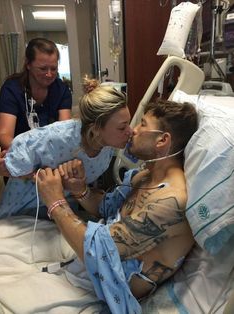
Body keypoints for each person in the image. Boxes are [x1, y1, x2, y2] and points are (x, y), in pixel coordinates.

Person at [36, 99, 198, 314]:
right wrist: (80, 190)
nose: (132, 131)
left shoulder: (170, 200)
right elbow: (106, 209)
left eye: (142, 124)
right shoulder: (145, 177)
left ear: (162, 140)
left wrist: (55, 202)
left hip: (109, 291)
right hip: (92, 273)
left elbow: (96, 250)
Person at [0, 78, 132, 218]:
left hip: (59, 210)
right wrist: (32, 173)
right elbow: (21, 144)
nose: (130, 131)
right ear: (96, 129)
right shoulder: (58, 138)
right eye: (122, 127)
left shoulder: (107, 146)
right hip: (22, 210)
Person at [0, 37, 72, 150]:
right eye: (43, 69)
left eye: (53, 69)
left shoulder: (61, 90)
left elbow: (64, 132)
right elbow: (4, 135)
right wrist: (29, 154)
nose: (49, 74)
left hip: (51, 153)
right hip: (20, 153)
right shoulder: (12, 89)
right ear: (28, 64)